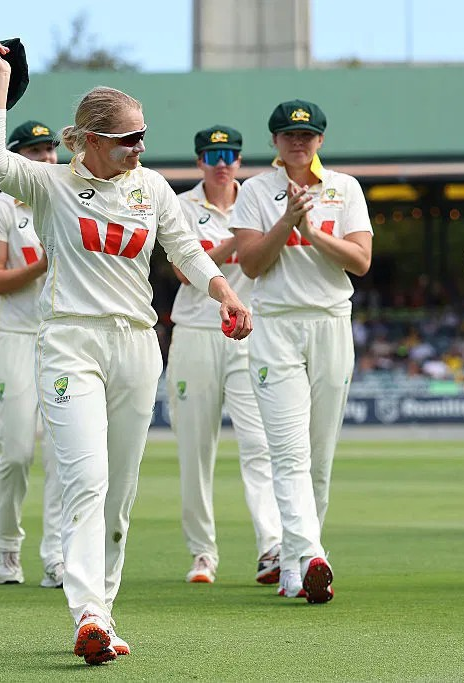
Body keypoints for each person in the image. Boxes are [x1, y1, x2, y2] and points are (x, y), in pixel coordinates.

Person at [0, 43, 252, 665]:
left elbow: (185, 250)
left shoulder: (151, 188)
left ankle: (105, 605)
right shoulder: (49, 183)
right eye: (128, 139)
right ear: (91, 140)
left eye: (143, 136)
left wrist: (225, 290)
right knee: (86, 479)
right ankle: (88, 614)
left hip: (137, 345)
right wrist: (0, 81)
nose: (139, 148)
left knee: (120, 494)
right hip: (69, 342)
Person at [231, 99, 373, 604]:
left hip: (331, 321)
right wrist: (287, 222)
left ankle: (295, 567)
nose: (299, 142)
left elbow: (360, 261)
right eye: (290, 135)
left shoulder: (344, 188)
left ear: (320, 140)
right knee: (288, 452)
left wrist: (311, 233)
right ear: (275, 141)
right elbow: (250, 264)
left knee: (320, 458)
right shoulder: (255, 190)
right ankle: (312, 554)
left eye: (307, 135)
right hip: (276, 325)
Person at [165, 124, 282, 585]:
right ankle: (202, 553)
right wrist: (238, 240)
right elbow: (184, 269)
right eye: (212, 156)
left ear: (239, 160)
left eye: (230, 155)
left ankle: (271, 546)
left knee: (259, 443)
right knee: (195, 449)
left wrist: (239, 241)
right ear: (200, 161)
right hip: (196, 330)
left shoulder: (257, 200)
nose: (222, 164)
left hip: (249, 332)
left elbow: (265, 259)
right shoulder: (181, 205)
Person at [0, 119, 64, 588]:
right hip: (15, 334)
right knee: (15, 453)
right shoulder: (0, 208)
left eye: (50, 150)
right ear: (15, 157)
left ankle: (57, 555)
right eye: (34, 151)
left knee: (61, 453)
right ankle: (8, 547)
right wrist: (42, 264)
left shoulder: (68, 197)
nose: (46, 158)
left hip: (62, 336)